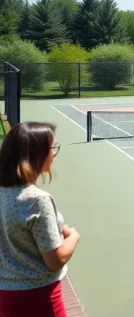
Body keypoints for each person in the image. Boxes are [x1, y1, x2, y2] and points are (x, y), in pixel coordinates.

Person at [0, 122, 81, 317]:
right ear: (37, 154)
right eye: (52, 148)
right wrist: (73, 237)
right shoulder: (37, 200)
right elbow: (56, 260)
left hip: (6, 295)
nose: (54, 154)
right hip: (39, 298)